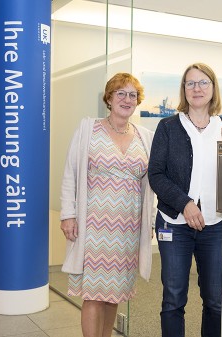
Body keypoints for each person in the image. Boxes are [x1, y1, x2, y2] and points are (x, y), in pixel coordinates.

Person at [60, 72, 155, 337]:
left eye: (132, 94)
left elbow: (151, 184)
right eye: (120, 93)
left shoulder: (145, 136)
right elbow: (70, 173)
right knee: (93, 294)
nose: (127, 99)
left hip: (127, 229)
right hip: (93, 227)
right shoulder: (89, 129)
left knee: (115, 293)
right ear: (109, 99)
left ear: (138, 101)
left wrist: (152, 220)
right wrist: (68, 214)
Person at [148, 63, 222, 337]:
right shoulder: (168, 126)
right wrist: (185, 203)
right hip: (174, 224)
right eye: (190, 83)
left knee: (215, 301)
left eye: (203, 82)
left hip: (215, 225)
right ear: (183, 89)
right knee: (173, 299)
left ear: (213, 88)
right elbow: (155, 174)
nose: (197, 89)